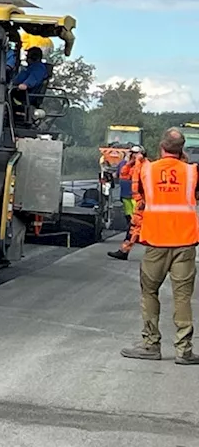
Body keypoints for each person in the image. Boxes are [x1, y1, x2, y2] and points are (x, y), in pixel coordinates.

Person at [120, 128, 199, 365]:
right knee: (182, 297)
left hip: (156, 242)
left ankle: (151, 344)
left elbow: (138, 195)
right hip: (185, 243)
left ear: (161, 148)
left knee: (149, 291)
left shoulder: (147, 170)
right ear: (182, 150)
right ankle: (184, 350)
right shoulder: (192, 172)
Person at [109, 146, 147, 260]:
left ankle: (125, 251)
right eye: (132, 154)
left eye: (135, 154)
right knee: (133, 226)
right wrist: (130, 162)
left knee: (137, 226)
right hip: (138, 201)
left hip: (144, 202)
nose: (133, 156)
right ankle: (124, 251)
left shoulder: (146, 166)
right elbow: (123, 175)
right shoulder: (132, 166)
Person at [10, 46, 49, 124]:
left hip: (23, 96)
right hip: (16, 91)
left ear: (34, 57)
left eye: (28, 55)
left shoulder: (39, 68)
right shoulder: (29, 68)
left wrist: (25, 84)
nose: (26, 57)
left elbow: (34, 78)